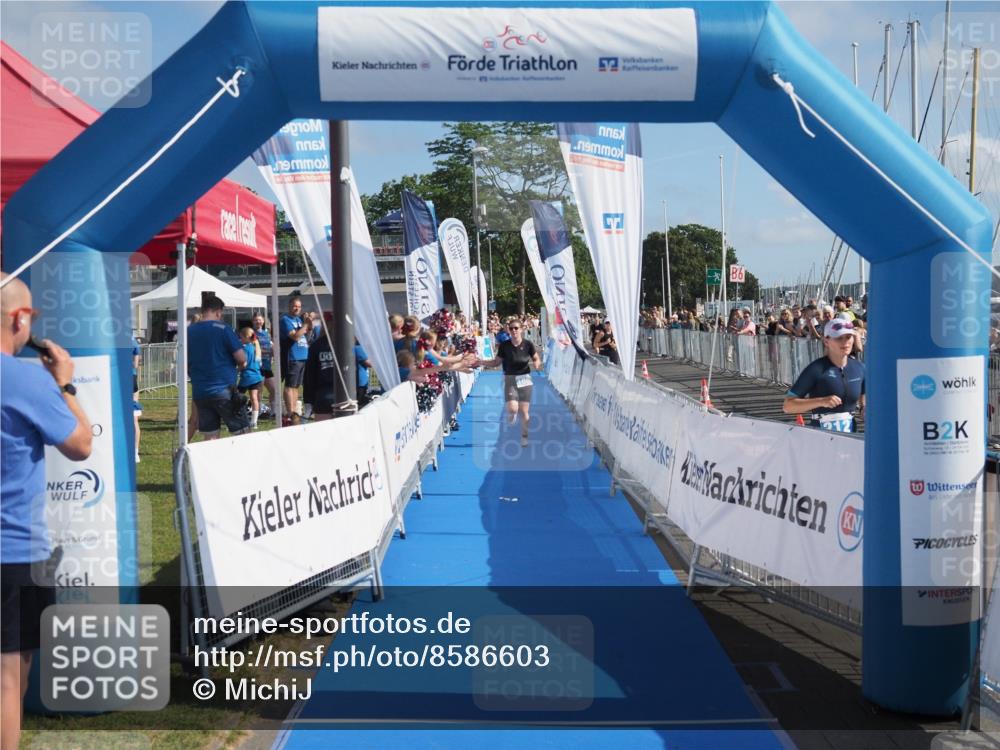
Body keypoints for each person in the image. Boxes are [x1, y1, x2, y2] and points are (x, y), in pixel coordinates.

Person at [1, 273, 92, 750]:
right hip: (14, 551)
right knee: (9, 677)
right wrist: (67, 385)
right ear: (20, 319)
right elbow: (80, 445)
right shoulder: (26, 380)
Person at [782, 318, 865, 433]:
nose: (845, 342)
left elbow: (864, 399)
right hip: (821, 439)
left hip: (850, 439)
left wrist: (864, 409)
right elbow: (788, 406)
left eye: (848, 337)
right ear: (826, 341)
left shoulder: (859, 368)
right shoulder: (816, 369)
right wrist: (821, 401)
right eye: (839, 338)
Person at [187, 295, 249, 440]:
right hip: (224, 389)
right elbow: (241, 358)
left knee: (210, 437)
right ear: (218, 312)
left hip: (200, 391)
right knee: (242, 433)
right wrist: (239, 367)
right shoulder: (223, 329)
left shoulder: (189, 331)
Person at [479, 317, 541, 447]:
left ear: (522, 330)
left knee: (524, 412)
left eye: (516, 328)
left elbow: (536, 357)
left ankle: (524, 436)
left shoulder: (528, 344)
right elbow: (496, 362)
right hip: (510, 378)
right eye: (511, 328)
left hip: (525, 379)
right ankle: (512, 414)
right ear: (508, 330)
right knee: (513, 409)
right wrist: (482, 362)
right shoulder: (504, 346)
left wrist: (536, 363)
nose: (514, 331)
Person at [279, 294, 312, 426]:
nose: (296, 309)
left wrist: (309, 323)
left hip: (303, 355)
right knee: (290, 385)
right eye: (294, 306)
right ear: (289, 307)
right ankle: (290, 412)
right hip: (292, 356)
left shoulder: (299, 320)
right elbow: (295, 336)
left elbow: (307, 334)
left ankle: (295, 412)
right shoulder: (286, 320)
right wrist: (305, 325)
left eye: (298, 307)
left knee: (296, 386)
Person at [237, 328, 264, 429]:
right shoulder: (255, 347)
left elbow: (244, 364)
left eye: (241, 337)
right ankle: (254, 422)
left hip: (247, 377)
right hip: (257, 376)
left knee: (237, 399)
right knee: (254, 398)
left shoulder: (244, 349)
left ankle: (238, 419)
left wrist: (236, 370)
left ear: (246, 337)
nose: (240, 339)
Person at [252, 314, 277, 418]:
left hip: (267, 366)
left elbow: (271, 346)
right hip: (258, 366)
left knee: (274, 389)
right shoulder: (252, 333)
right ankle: (259, 411)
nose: (258, 322)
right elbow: (252, 348)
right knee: (259, 390)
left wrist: (273, 351)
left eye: (260, 320)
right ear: (253, 321)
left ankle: (273, 411)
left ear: (263, 321)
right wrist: (263, 351)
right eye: (256, 320)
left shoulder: (267, 333)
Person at [354, 339, 372, 407]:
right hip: (360, 382)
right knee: (360, 403)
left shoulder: (355, 347)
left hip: (358, 381)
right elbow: (369, 364)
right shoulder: (358, 348)